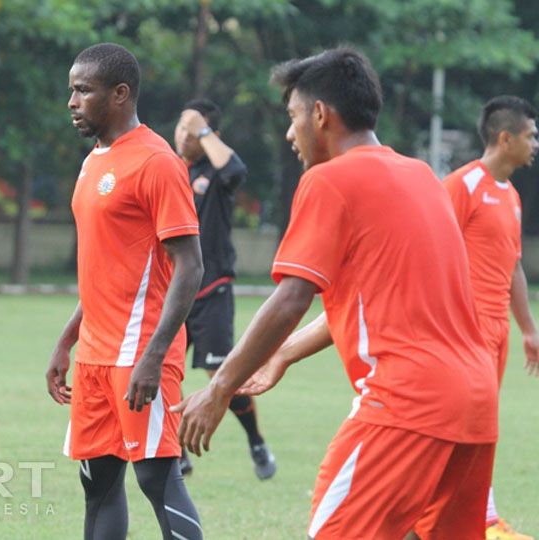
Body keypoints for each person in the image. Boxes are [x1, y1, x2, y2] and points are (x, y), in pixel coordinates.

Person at [173, 47, 499, 539]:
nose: (290, 133)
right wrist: (281, 354)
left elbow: (291, 297)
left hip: (406, 403)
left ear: (320, 114)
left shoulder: (329, 180)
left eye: (293, 116)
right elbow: (375, 295)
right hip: (475, 405)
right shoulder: (422, 177)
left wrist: (219, 390)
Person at [46, 43, 205, 540]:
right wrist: (66, 340)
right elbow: (105, 267)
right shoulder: (95, 159)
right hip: (94, 353)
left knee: (157, 479)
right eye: (71, 90)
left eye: (83, 90)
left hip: (139, 351)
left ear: (119, 94)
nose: (72, 101)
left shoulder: (157, 162)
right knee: (98, 484)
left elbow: (190, 266)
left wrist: (155, 356)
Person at [441, 96, 539, 540]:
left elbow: (513, 265)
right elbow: (432, 251)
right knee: (462, 428)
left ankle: (475, 517)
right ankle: (477, 520)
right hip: (466, 330)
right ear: (506, 138)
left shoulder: (512, 196)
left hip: (497, 330)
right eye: (530, 135)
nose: (535, 143)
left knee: (481, 428)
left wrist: (528, 329)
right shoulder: (462, 186)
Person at [173, 99, 276, 480]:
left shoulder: (215, 172)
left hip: (212, 289)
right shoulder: (169, 171)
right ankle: (176, 452)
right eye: (181, 127)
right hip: (173, 293)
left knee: (221, 372)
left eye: (193, 129)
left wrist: (204, 130)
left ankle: (256, 441)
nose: (183, 135)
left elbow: (236, 170)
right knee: (163, 370)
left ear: (209, 134)